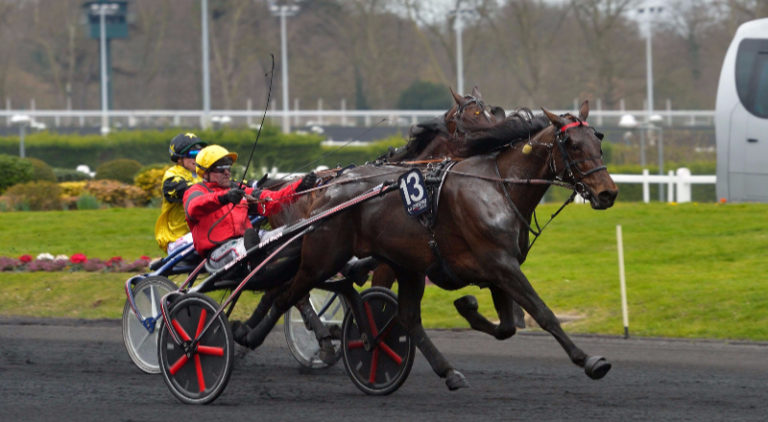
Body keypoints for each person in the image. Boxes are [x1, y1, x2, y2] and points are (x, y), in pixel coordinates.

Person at [183, 144, 317, 258]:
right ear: (205, 172)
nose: (227, 172)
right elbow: (195, 207)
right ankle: (260, 265)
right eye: (220, 168)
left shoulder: (238, 190)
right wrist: (224, 198)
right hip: (219, 252)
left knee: (299, 229)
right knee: (249, 242)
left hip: (250, 241)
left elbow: (272, 200)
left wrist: (298, 187)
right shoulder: (196, 191)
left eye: (228, 167)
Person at [154, 132, 207, 253]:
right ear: (179, 158)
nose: (197, 158)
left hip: (199, 235)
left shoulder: (203, 174)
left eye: (200, 153)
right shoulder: (172, 176)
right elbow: (189, 190)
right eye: (192, 154)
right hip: (177, 241)